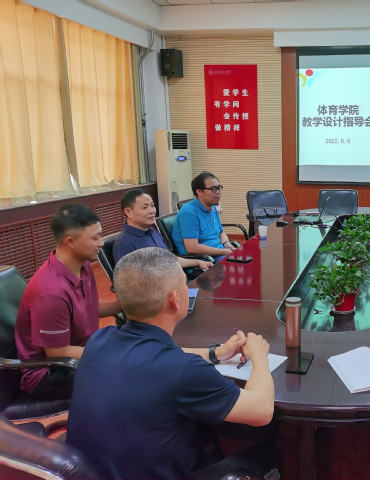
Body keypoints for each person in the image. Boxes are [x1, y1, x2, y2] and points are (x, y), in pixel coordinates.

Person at [66, 247, 278, 480]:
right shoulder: (183, 369)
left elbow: (158, 355)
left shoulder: (99, 340)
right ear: (176, 300)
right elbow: (262, 411)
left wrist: (216, 352)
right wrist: (259, 356)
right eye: (184, 285)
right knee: (270, 451)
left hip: (94, 473)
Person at [14, 204, 120, 399]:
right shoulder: (50, 291)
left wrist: (125, 305)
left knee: (133, 348)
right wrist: (110, 353)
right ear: (70, 241)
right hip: (50, 372)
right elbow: (58, 352)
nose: (101, 243)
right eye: (95, 238)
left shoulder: (83, 266)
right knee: (127, 374)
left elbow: (88, 307)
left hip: (77, 352)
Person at [113, 188, 213, 274]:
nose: (152, 211)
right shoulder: (124, 243)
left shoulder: (152, 231)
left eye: (152, 206)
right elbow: (128, 282)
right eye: (145, 207)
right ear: (128, 212)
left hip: (178, 282)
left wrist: (198, 262)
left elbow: (169, 259)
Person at [172, 171, 237, 262]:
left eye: (219, 188)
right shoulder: (189, 212)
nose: (218, 192)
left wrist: (226, 243)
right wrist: (223, 252)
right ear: (199, 192)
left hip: (218, 254)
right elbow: (192, 247)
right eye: (213, 189)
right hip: (203, 260)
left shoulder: (212, 207)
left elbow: (221, 232)